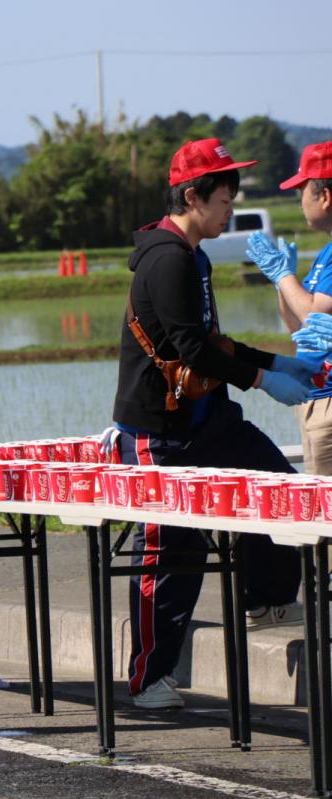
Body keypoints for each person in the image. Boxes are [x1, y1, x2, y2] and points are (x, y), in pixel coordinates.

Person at [110, 138, 313, 711]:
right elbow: (190, 348)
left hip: (208, 419)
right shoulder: (168, 258)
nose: (231, 209)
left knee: (277, 484)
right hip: (162, 432)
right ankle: (148, 678)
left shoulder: (193, 256)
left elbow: (213, 342)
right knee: (174, 552)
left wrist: (274, 361)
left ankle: (266, 596)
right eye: (225, 198)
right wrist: (261, 381)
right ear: (194, 196)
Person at [246, 141, 332, 473]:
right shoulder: (326, 255)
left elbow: (313, 315)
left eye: (302, 191)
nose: (300, 202)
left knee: (326, 511)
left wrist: (283, 275)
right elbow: (298, 327)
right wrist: (282, 282)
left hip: (328, 401)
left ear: (324, 196)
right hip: (314, 397)